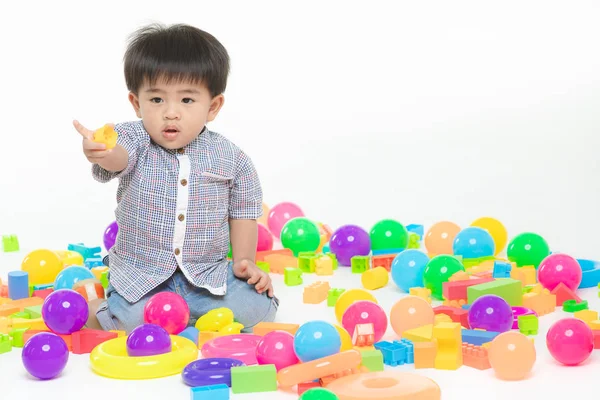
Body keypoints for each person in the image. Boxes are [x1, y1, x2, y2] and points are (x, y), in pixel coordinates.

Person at [73, 23, 278, 334]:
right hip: (143, 277)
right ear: (136, 103)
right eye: (157, 100)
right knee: (128, 322)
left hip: (205, 276)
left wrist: (245, 263)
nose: (171, 113)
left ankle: (187, 316)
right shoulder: (133, 138)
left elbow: (244, 212)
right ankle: (101, 309)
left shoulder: (230, 157)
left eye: (186, 100)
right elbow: (119, 156)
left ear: (213, 107)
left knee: (257, 308)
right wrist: (103, 150)